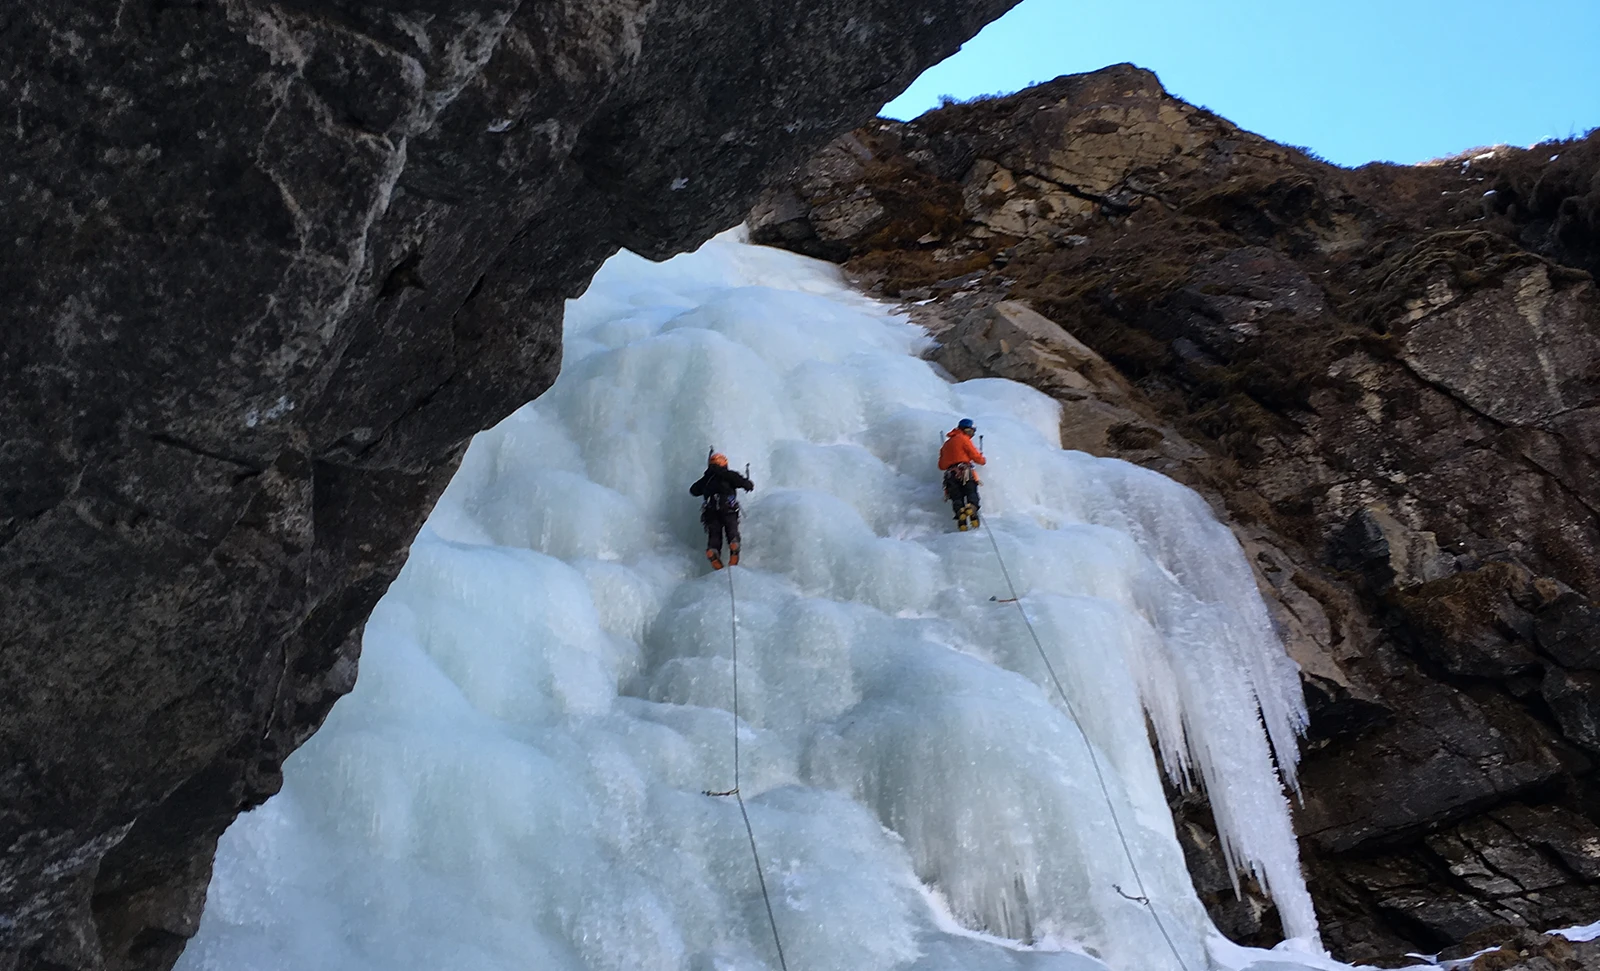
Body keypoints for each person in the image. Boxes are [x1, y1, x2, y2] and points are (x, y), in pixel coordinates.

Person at [690, 452, 754, 570]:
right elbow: (744, 483)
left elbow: (693, 490)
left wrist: (706, 482)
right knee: (732, 529)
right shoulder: (729, 475)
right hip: (728, 508)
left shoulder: (706, 479)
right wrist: (748, 484)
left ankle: (712, 549)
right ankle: (734, 544)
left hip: (711, 511)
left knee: (714, 533)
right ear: (724, 464)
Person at [938, 418, 986, 531]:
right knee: (971, 492)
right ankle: (971, 507)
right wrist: (982, 460)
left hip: (950, 476)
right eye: (972, 431)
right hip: (965, 472)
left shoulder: (946, 445)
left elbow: (941, 466)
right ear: (967, 430)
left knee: (957, 498)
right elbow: (975, 456)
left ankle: (960, 515)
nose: (972, 434)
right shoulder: (963, 439)